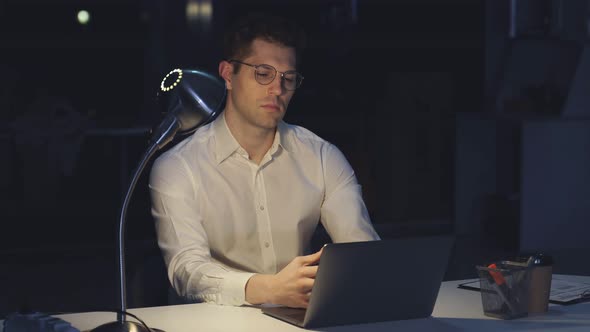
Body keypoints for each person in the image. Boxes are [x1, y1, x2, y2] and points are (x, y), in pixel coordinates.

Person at [149, 12, 379, 309]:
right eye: (263, 73)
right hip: (211, 321)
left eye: (289, 78)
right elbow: (187, 270)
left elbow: (362, 251)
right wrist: (268, 288)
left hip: (299, 318)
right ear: (228, 75)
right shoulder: (178, 166)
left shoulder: (322, 156)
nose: (277, 89)